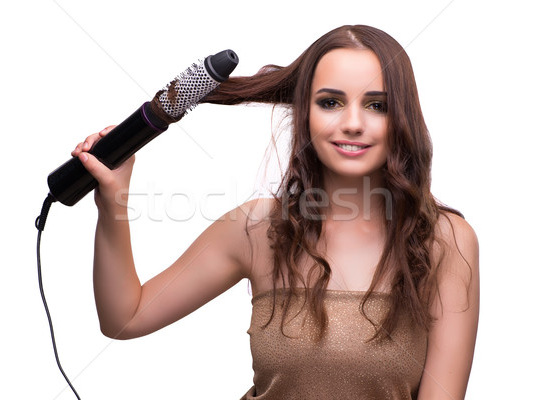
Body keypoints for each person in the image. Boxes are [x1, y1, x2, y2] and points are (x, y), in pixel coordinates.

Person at [72, 25, 479, 400]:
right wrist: (113, 203)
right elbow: (124, 318)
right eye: (331, 102)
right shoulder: (256, 229)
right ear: (305, 112)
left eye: (377, 105)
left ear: (402, 117)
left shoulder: (446, 241)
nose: (353, 123)